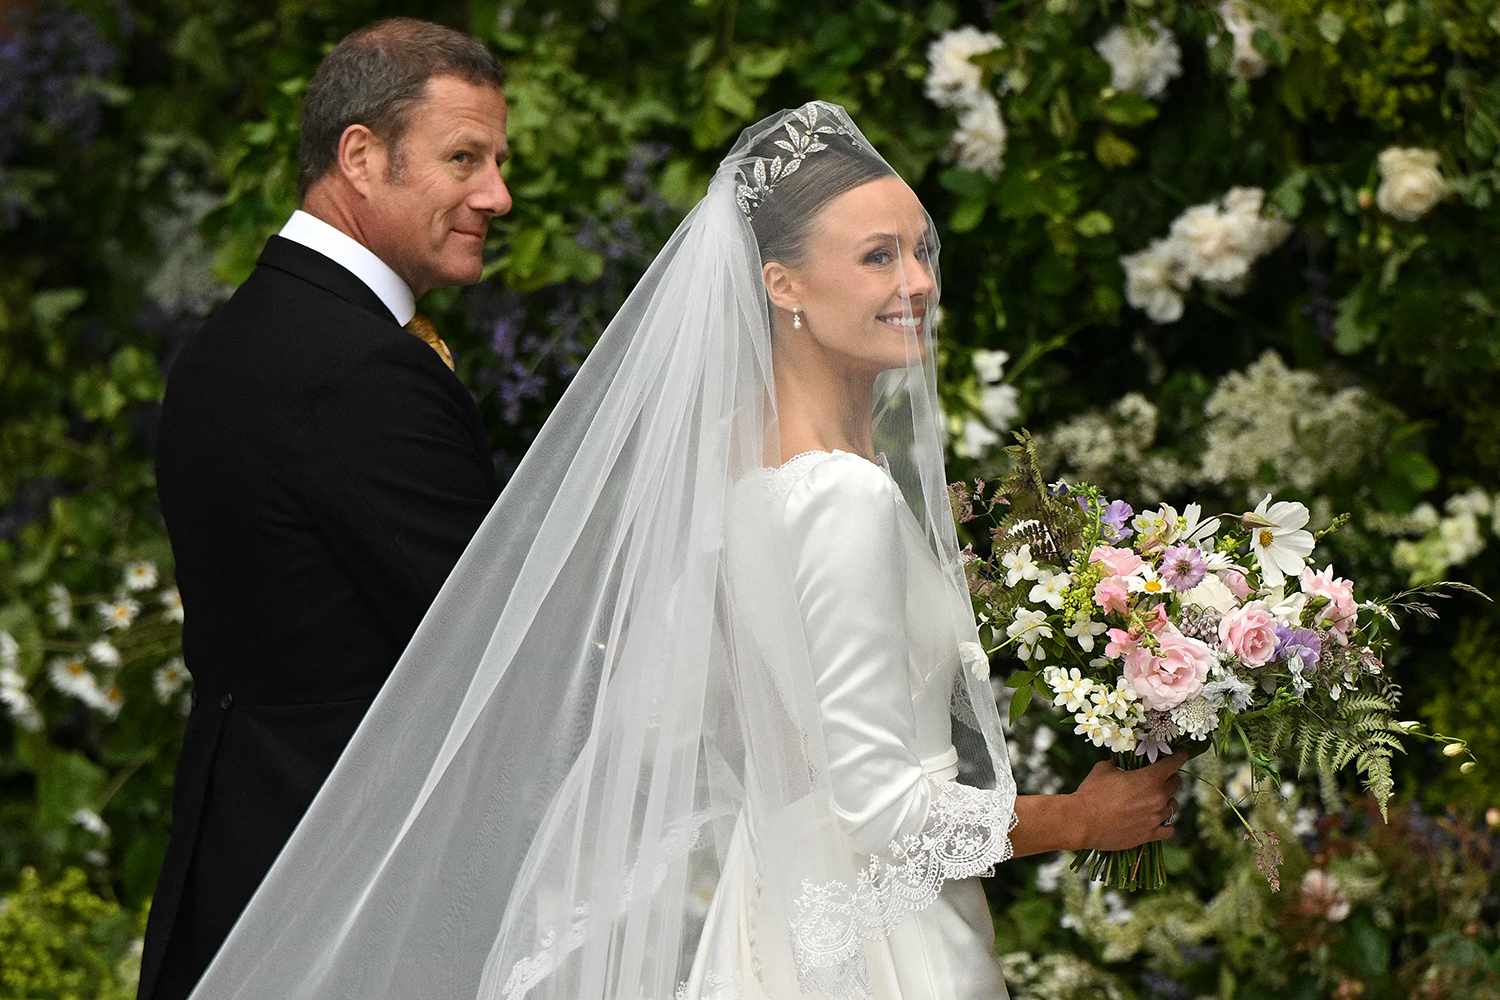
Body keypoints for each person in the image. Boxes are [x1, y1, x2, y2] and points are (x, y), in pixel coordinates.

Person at [183, 102, 1183, 1000]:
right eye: (878, 256)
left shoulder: (739, 477)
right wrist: (1083, 820)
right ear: (781, 281)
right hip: (877, 946)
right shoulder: (841, 497)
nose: (917, 281)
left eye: (921, 251)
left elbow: (720, 728)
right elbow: (885, 812)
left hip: (776, 911)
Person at [139, 19, 509, 1000]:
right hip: (348, 899)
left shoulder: (235, 336)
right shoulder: (363, 372)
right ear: (360, 156)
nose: (496, 196)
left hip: (239, 857)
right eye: (463, 157)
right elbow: (490, 648)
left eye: (498, 162)